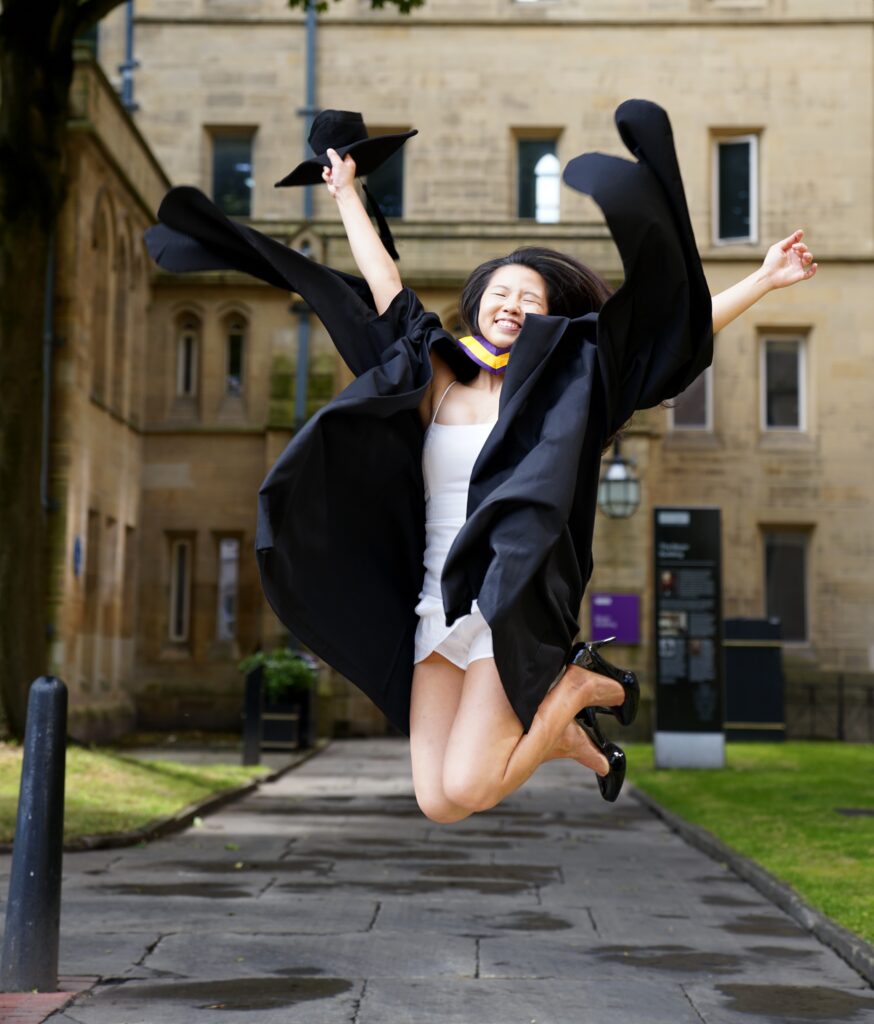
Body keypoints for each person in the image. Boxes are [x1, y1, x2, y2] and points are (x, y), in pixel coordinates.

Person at [145, 101, 816, 823]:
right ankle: (565, 731)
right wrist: (344, 193)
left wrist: (764, 281)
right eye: (500, 292)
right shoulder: (430, 370)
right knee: (437, 802)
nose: (512, 303)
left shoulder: (570, 385)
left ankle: (573, 692)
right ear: (475, 304)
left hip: (510, 601)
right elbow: (381, 284)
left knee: (469, 785)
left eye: (530, 298)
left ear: (548, 316)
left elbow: (667, 339)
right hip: (436, 600)